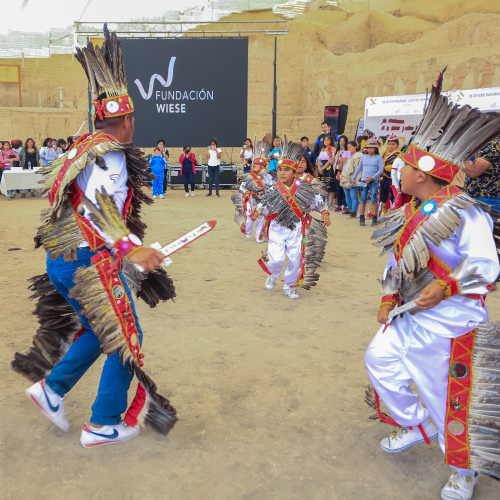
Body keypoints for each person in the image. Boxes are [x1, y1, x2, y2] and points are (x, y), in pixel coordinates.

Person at [14, 25, 177, 448]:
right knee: (125, 339)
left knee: (94, 329)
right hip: (87, 263)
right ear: (125, 120)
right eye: (132, 119)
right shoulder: (112, 156)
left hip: (61, 263)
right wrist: (133, 248)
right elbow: (95, 208)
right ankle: (103, 423)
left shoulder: (82, 147)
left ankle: (52, 390)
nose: (133, 125)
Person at [364, 71, 500, 500]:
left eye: (401, 166)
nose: (395, 172)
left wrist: (448, 287)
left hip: (451, 322)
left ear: (423, 173)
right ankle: (418, 423)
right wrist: (389, 296)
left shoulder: (469, 214)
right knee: (379, 360)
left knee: (448, 396)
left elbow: (487, 268)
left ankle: (464, 469)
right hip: (410, 315)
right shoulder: (413, 212)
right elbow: (397, 262)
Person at [254, 139, 331, 300]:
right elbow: (264, 203)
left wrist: (324, 212)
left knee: (296, 258)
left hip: (296, 228)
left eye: (286, 170)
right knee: (276, 259)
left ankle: (289, 285)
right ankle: (273, 273)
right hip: (276, 228)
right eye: (280, 169)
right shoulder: (274, 188)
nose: (281, 173)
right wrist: (257, 211)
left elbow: (317, 200)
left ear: (295, 172)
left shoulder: (303, 188)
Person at [231, 141, 274, 243]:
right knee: (251, 217)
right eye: (255, 164)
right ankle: (248, 231)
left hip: (263, 199)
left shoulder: (267, 176)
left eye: (259, 165)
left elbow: (272, 186)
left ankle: (259, 236)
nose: (256, 166)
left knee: (261, 217)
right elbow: (241, 187)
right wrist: (247, 192)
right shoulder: (249, 176)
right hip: (251, 198)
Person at [463, 137, 500, 210]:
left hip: (487, 200)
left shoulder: (493, 143)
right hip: (484, 198)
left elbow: (474, 171)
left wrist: (453, 161)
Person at [352, 138, 383, 226]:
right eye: (368, 148)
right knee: (363, 200)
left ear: (375, 148)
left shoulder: (378, 157)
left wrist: (372, 178)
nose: (369, 150)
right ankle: (362, 218)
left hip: (374, 181)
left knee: (373, 200)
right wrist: (354, 178)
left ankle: (374, 218)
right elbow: (359, 168)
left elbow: (381, 170)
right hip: (363, 181)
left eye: (372, 148)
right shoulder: (364, 157)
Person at [339, 141, 363, 217]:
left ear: (355, 146)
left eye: (350, 147)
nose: (349, 149)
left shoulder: (359, 154)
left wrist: (348, 160)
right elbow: (342, 167)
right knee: (347, 195)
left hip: (354, 177)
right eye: (348, 147)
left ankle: (354, 210)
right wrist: (342, 162)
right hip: (345, 177)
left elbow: (358, 164)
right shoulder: (347, 155)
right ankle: (349, 209)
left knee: (353, 195)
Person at [379, 134, 400, 214]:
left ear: (397, 145)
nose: (391, 146)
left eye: (393, 144)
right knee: (383, 197)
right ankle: (383, 213)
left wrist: (384, 167)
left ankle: (391, 213)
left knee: (391, 196)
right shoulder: (385, 154)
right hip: (383, 178)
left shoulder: (398, 155)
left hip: (391, 179)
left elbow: (395, 167)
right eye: (389, 144)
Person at [316, 134, 336, 209]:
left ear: (331, 140)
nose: (326, 141)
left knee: (330, 188)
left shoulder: (333, 148)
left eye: (328, 140)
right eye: (325, 140)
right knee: (323, 187)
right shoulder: (322, 149)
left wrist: (323, 168)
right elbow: (319, 159)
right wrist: (319, 167)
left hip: (328, 169)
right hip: (321, 169)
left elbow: (330, 161)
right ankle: (323, 203)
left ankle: (330, 204)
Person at [332, 134, 349, 212]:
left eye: (343, 141)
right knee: (338, 188)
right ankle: (339, 205)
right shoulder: (336, 151)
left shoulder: (347, 151)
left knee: (344, 188)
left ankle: (345, 205)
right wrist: (330, 156)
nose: (342, 142)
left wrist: (343, 161)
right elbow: (332, 162)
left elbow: (348, 161)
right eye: (340, 141)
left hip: (345, 171)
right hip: (337, 171)